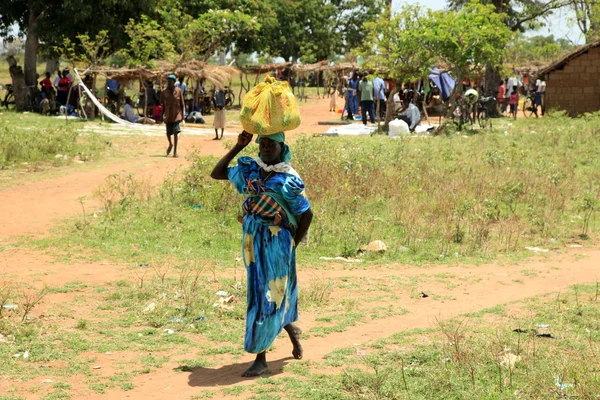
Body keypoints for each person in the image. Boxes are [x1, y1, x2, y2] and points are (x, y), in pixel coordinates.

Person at [210, 130, 313, 377]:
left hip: (278, 244)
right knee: (262, 293)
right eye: (263, 144)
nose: (266, 148)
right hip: (252, 242)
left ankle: (261, 357)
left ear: (281, 147)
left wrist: (292, 246)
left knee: (268, 295)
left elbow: (306, 214)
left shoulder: (288, 179)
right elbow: (217, 173)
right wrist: (238, 146)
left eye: (271, 145)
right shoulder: (251, 170)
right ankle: (291, 329)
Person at [161, 74, 185, 157]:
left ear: (174, 82)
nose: (169, 83)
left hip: (177, 114)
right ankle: (170, 144)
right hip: (168, 114)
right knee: (168, 133)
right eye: (168, 81)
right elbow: (163, 105)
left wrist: (183, 114)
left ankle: (175, 151)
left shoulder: (178, 91)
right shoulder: (164, 92)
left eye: (170, 82)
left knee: (175, 131)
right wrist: (162, 115)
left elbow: (182, 104)